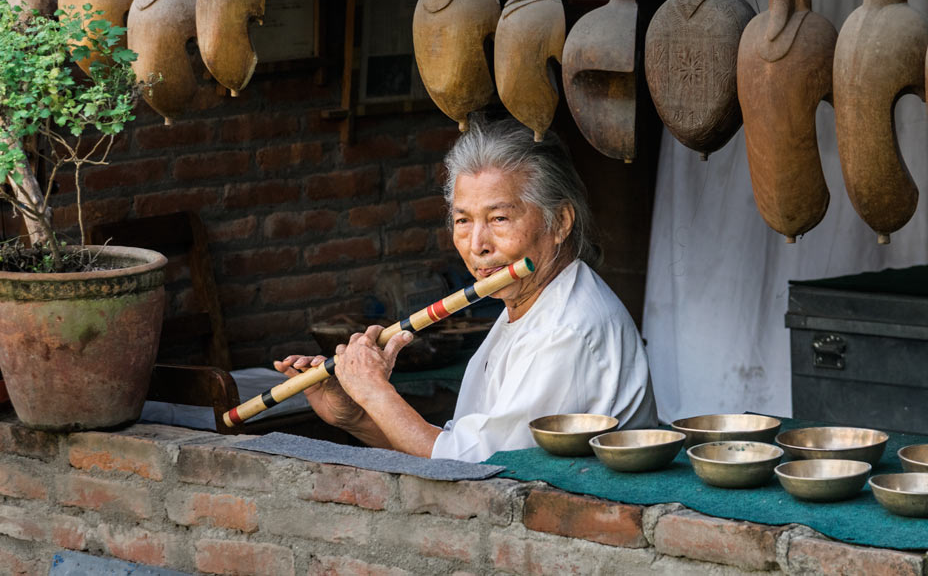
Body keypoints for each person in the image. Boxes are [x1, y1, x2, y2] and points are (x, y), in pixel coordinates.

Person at [275, 118, 657, 462]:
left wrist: (376, 393)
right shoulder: (527, 305)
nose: (477, 244)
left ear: (559, 222)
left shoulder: (566, 330)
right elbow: (448, 449)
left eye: (499, 218)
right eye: (463, 220)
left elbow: (471, 470)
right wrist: (358, 415)